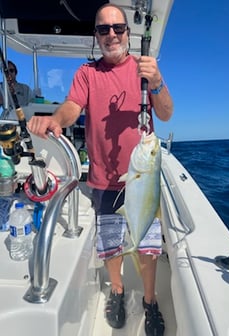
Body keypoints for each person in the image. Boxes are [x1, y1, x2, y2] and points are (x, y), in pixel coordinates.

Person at [27, 4, 173, 335]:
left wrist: (158, 82)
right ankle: (118, 292)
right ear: (96, 35)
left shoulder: (144, 68)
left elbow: (165, 113)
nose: (111, 35)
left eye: (118, 28)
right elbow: (71, 107)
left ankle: (149, 301)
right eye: (103, 30)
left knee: (148, 246)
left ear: (128, 32)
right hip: (105, 180)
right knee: (110, 244)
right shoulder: (87, 74)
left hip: (143, 177)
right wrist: (55, 120)